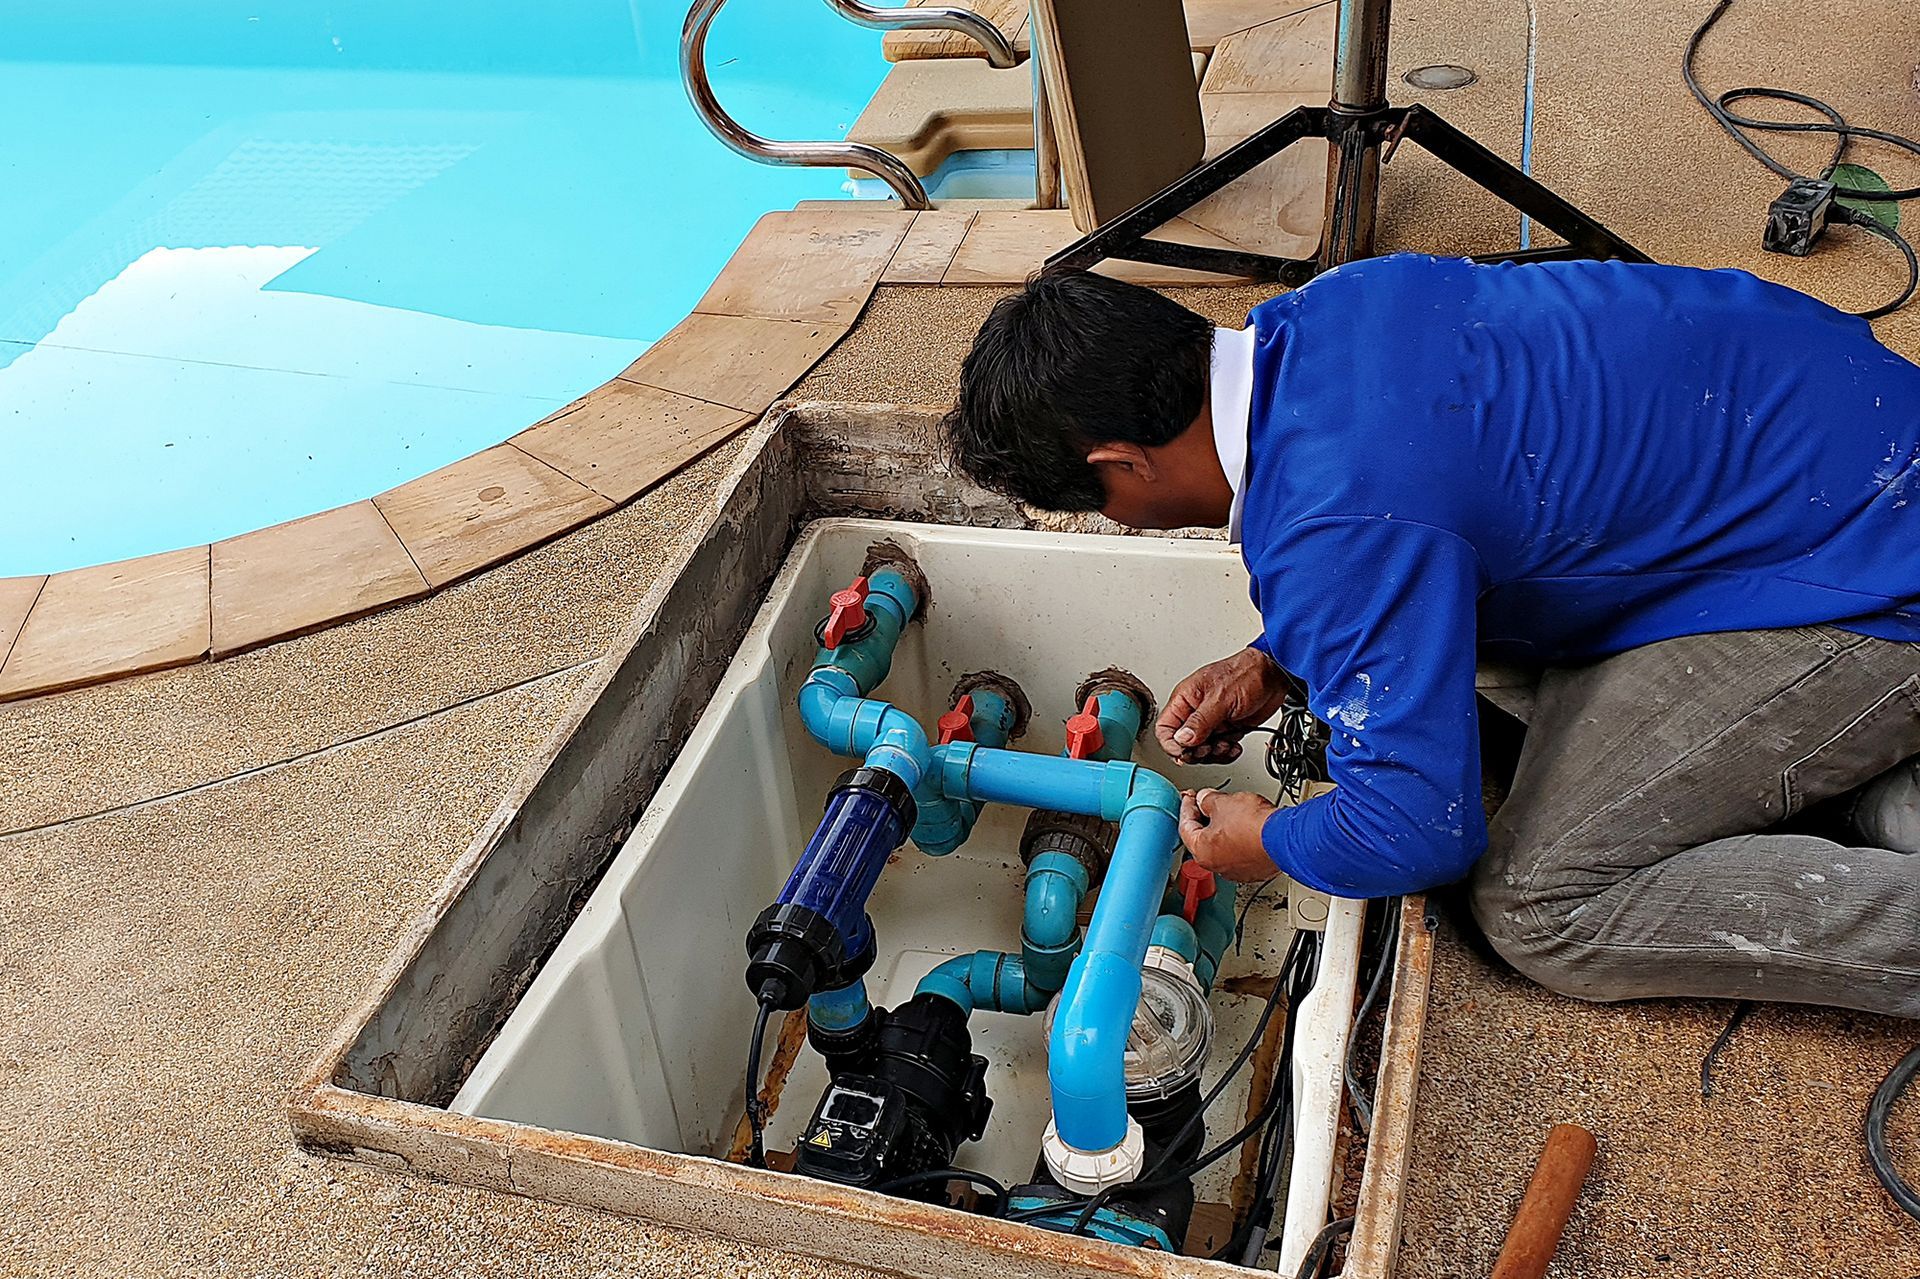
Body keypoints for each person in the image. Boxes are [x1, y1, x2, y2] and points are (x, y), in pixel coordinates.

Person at [939, 256, 1920, 1017]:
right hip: (1840, 431)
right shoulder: (1331, 310)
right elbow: (1425, 498)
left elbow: (1419, 829)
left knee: (1538, 904)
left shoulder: (1334, 534)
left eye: (1099, 504)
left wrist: (1273, 840)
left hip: (1870, 564)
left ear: (1123, 464)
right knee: (1488, 669)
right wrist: (1278, 658)